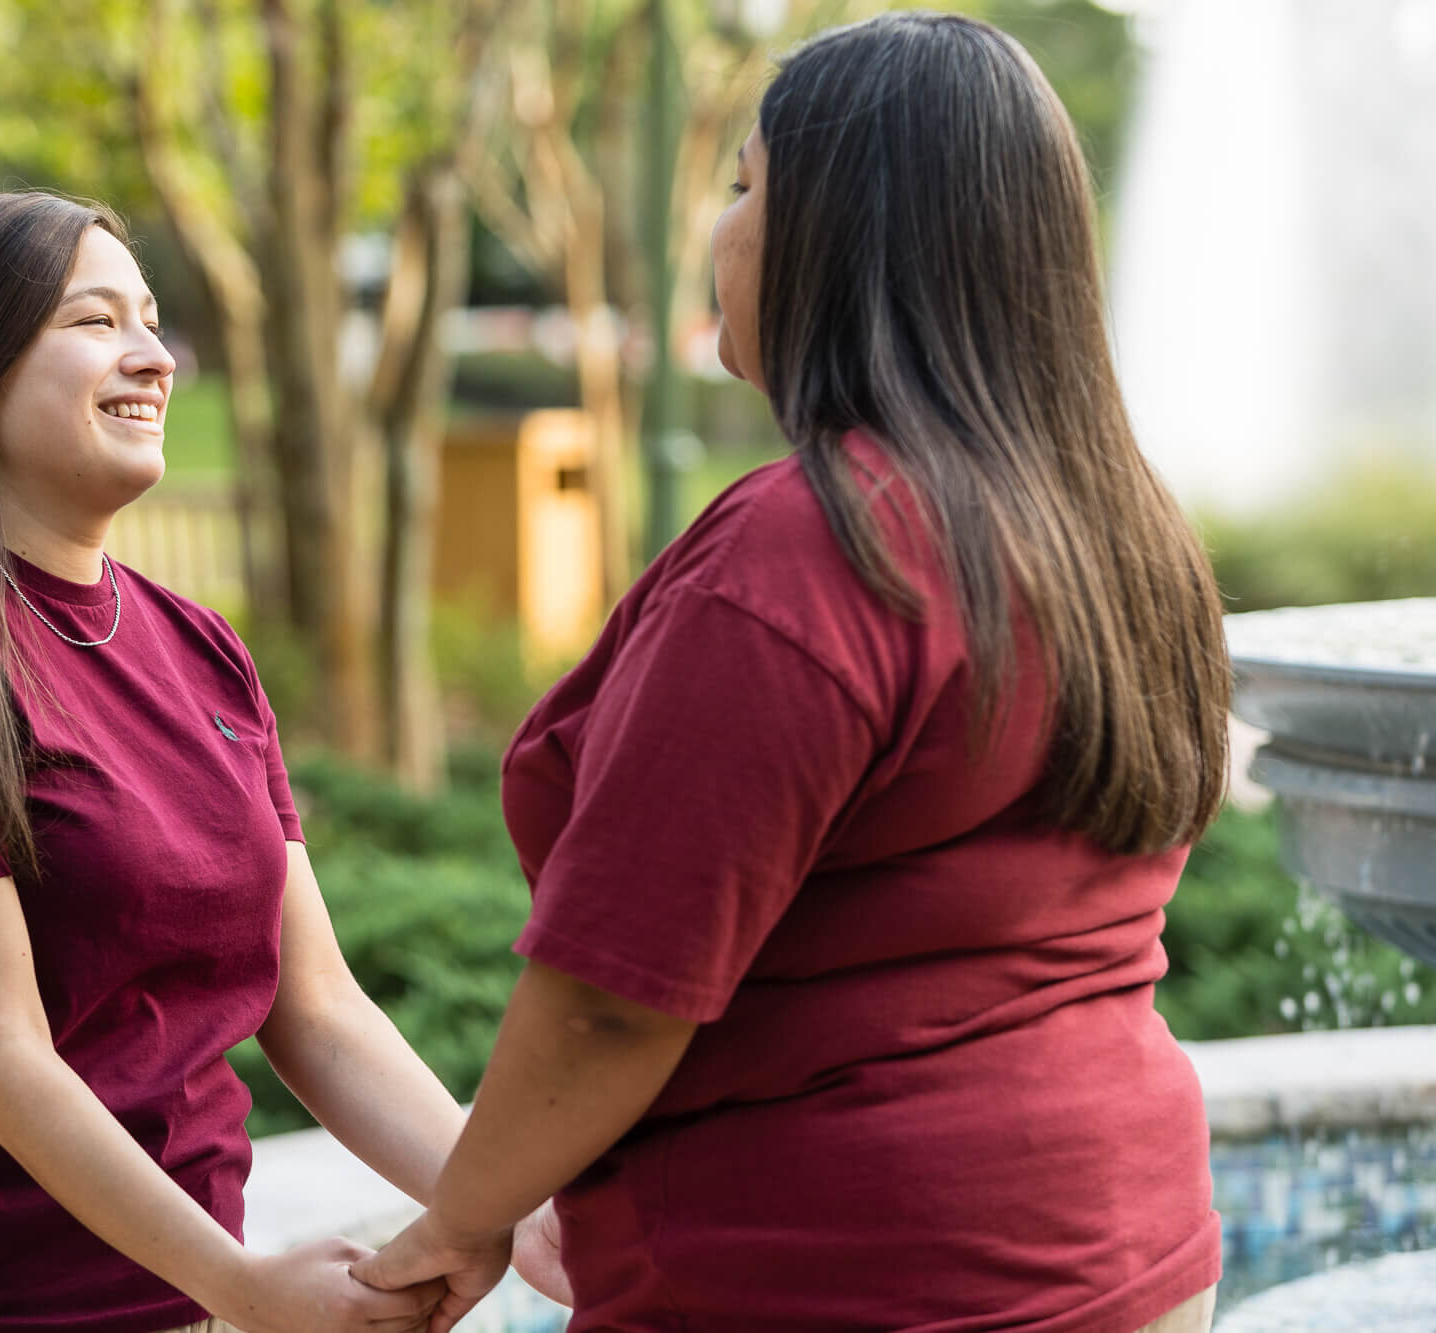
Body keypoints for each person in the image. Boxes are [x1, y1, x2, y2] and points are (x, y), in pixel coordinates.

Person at [353, 13, 1231, 1333]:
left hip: (842, 1280)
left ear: (846, 232)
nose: (725, 228)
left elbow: (610, 1003)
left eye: (747, 187)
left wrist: (461, 1219)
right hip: (1138, 1255)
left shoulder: (813, 552)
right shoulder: (1122, 529)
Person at [0, 192, 544, 1333]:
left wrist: (507, 1206)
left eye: (152, 318)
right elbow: (4, 1059)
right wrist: (236, 1284)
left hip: (182, 1300)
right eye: (93, 322)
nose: (153, 356)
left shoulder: (199, 648)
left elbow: (315, 1009)